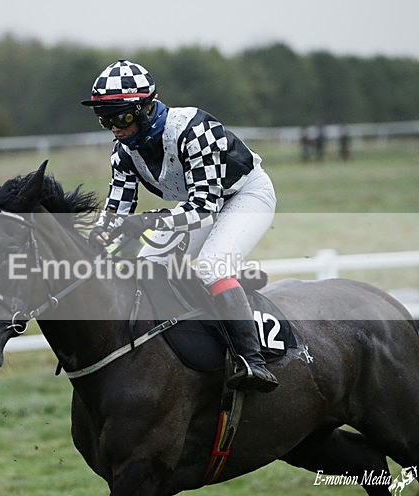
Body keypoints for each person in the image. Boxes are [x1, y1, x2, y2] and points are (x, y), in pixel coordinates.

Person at [81, 59, 278, 392]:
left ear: (145, 107)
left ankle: (252, 361)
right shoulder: (124, 152)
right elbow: (115, 211)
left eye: (119, 116)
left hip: (244, 196)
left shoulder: (195, 129)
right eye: (105, 119)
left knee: (211, 267)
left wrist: (145, 221)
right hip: (198, 205)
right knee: (146, 265)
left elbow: (204, 208)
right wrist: (98, 236)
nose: (113, 127)